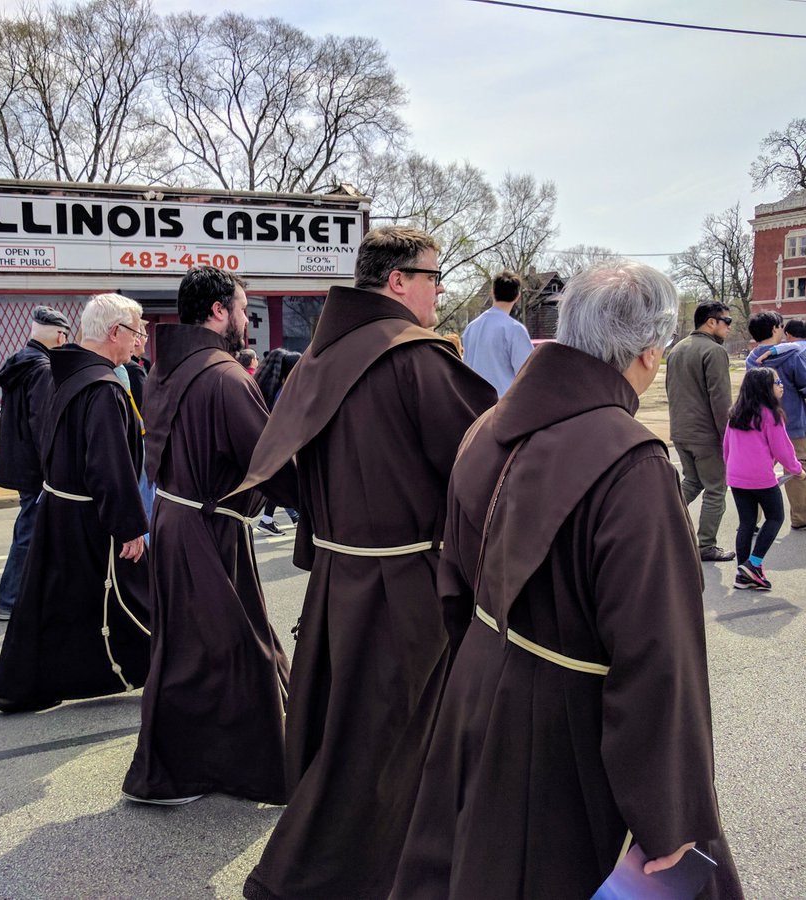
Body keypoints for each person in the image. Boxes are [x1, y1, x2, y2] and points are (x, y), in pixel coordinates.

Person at [393, 262, 742, 900]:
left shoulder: (484, 428)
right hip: (562, 727)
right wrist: (670, 814)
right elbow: (658, 655)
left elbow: (453, 585)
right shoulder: (631, 462)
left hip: (479, 683)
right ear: (648, 353)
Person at [236, 226, 497, 900]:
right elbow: (488, 473)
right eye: (433, 276)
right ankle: (309, 875)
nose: (441, 288)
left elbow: (281, 469)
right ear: (396, 282)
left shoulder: (319, 360)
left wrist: (336, 529)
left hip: (339, 576)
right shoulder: (417, 359)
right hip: (405, 586)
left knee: (348, 727)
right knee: (386, 743)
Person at [123, 266, 291, 806]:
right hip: (205, 529)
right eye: (243, 309)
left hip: (179, 521)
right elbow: (266, 460)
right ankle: (178, 774)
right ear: (218, 311)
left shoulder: (166, 369)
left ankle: (191, 767)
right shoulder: (223, 376)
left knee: (195, 648)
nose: (247, 320)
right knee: (226, 651)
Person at [0, 294, 152, 714]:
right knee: (131, 594)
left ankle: (23, 685)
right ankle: (163, 666)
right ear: (115, 332)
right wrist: (129, 525)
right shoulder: (102, 387)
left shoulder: (67, 373)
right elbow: (109, 463)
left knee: (55, 604)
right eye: (138, 332)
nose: (142, 340)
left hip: (62, 506)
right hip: (88, 514)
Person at [0, 306, 69, 621]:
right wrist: (52, 466)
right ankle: (10, 600)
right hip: (36, 467)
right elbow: (43, 424)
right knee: (30, 530)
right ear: (60, 335)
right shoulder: (43, 368)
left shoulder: (21, 362)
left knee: (37, 530)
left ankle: (35, 595)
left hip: (20, 460)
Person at [666, 300, 736, 561]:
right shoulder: (714, 352)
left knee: (693, 481)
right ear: (711, 322)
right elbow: (721, 400)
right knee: (716, 488)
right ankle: (706, 545)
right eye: (726, 322)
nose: (729, 327)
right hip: (706, 435)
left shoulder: (677, 349)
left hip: (681, 431)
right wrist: (728, 437)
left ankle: (661, 517)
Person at [723, 368, 803, 590]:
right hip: (760, 478)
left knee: (746, 523)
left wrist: (730, 471)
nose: (781, 385)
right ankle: (754, 563)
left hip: (736, 477)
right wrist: (797, 469)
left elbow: (727, 447)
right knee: (775, 518)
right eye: (777, 381)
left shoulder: (736, 413)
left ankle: (743, 573)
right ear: (765, 388)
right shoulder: (771, 415)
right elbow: (783, 450)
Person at [746, 312, 806, 529]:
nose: (783, 330)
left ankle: (751, 520)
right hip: (794, 424)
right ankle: (802, 517)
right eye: (780, 326)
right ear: (774, 328)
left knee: (760, 472)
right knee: (797, 470)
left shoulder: (752, 359)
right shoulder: (793, 355)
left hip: (761, 424)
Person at [461, 269, 532, 396]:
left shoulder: (471, 327)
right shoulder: (514, 329)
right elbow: (527, 374)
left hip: (471, 404)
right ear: (517, 297)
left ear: (492, 292)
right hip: (501, 406)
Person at [253, 349, 302, 535]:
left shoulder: (272, 389)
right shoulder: (287, 392)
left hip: (278, 448)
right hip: (287, 449)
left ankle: (269, 520)